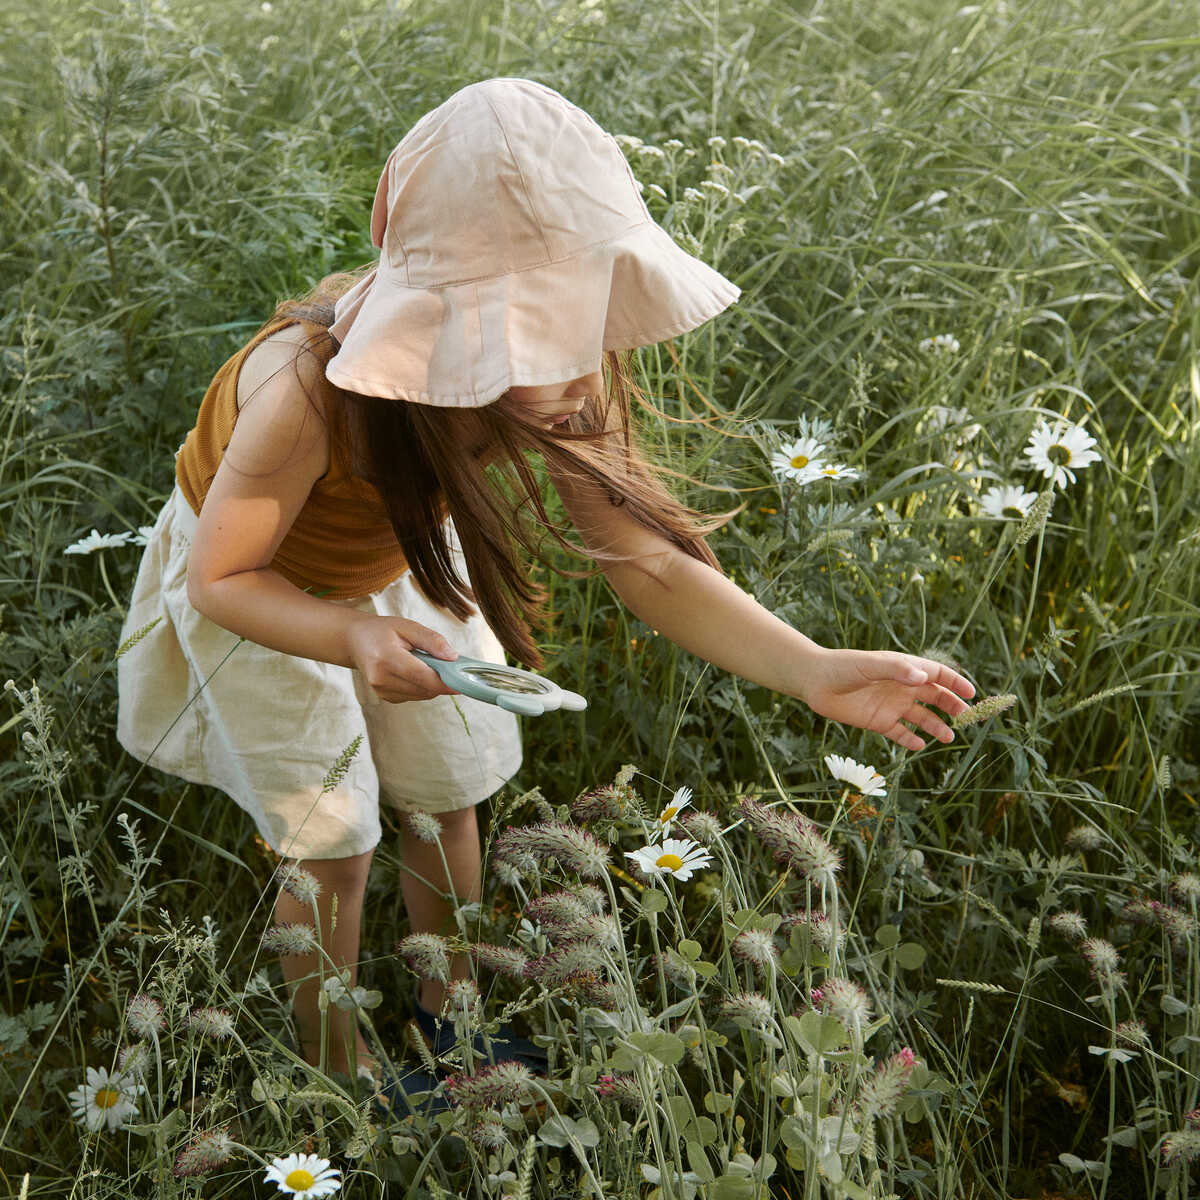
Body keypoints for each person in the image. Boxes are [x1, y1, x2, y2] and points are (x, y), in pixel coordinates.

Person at [115, 78, 975, 1105]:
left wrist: (814, 669)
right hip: (266, 593)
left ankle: (454, 1017)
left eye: (586, 322)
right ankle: (335, 1073)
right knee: (329, 843)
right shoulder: (307, 397)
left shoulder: (570, 381)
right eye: (539, 337)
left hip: (398, 564)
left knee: (449, 793)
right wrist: (348, 639)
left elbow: (650, 561)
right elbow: (221, 578)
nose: (575, 375)